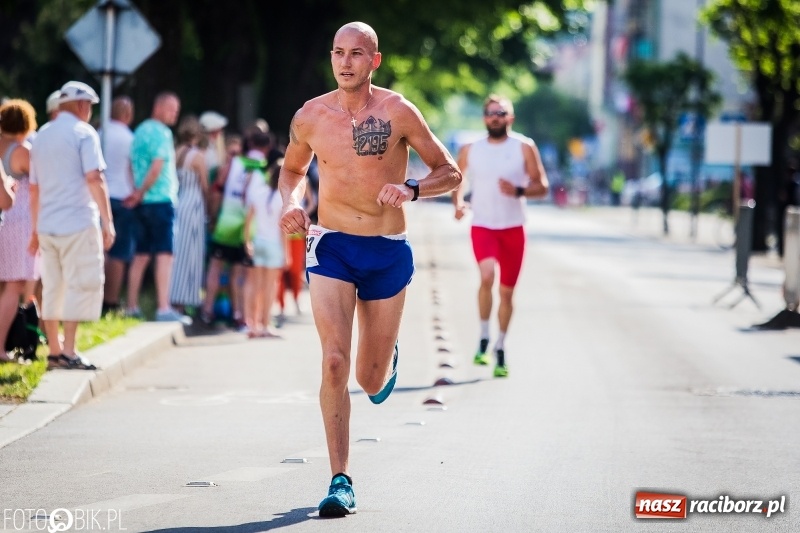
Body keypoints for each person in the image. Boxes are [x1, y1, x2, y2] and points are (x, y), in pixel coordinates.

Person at [279, 21, 461, 517]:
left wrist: (413, 189)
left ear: (374, 60)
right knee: (334, 361)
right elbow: (292, 170)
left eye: (356, 53)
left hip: (386, 249)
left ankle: (384, 359)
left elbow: (449, 171)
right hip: (332, 245)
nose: (345, 62)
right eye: (338, 52)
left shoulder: (398, 110)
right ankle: (340, 479)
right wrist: (293, 202)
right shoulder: (311, 115)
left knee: (370, 376)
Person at [452, 94, 549, 378]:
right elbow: (457, 179)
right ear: (484, 118)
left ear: (510, 118)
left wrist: (519, 191)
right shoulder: (471, 148)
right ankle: (483, 336)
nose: (495, 117)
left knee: (507, 292)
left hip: (513, 228)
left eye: (501, 112)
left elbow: (541, 186)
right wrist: (458, 203)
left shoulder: (524, 147)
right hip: (482, 225)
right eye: (491, 113)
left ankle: (501, 345)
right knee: (486, 277)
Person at [28, 81, 115, 369]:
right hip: (77, 222)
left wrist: (34, 230)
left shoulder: (41, 136)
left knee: (53, 287)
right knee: (79, 285)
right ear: (82, 105)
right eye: (89, 106)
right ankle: (69, 349)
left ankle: (53, 352)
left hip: (47, 225)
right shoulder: (84, 133)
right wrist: (108, 221)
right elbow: (94, 178)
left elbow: (34, 189)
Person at [124, 91, 190, 324]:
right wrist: (141, 191)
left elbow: (129, 164)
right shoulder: (162, 133)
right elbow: (157, 166)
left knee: (141, 255)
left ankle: (131, 306)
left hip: (142, 202)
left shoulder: (140, 130)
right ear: (158, 107)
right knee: (164, 255)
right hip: (161, 200)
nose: (174, 114)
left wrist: (135, 192)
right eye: (171, 109)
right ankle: (163, 308)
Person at [0, 99, 39, 362]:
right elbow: (40, 182)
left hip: (5, 219)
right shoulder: (23, 150)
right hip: (20, 221)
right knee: (15, 286)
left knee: (7, 286)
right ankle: (1, 347)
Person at [99, 96, 136, 314]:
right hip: (124, 197)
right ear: (128, 115)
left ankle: (97, 296)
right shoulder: (130, 139)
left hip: (100, 196)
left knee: (100, 248)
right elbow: (132, 170)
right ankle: (111, 302)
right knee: (120, 252)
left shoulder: (99, 133)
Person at [243, 153, 285, 338]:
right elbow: (283, 230)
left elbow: (248, 221)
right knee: (269, 287)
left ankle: (251, 324)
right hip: (274, 245)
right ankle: (265, 324)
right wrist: (286, 254)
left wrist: (247, 242)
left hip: (258, 242)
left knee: (254, 285)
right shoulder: (281, 199)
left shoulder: (259, 193)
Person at [169, 115, 208, 312]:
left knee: (178, 251)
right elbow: (204, 185)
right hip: (194, 204)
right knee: (190, 252)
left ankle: (173, 297)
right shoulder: (198, 156)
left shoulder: (175, 152)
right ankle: (183, 301)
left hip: (178, 201)